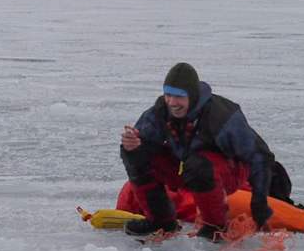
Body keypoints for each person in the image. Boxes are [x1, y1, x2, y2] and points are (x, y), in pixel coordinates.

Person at [119, 62, 279, 240]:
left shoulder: (221, 115)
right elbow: (144, 145)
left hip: (228, 173)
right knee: (136, 154)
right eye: (168, 95)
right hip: (186, 168)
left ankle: (215, 226)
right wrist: (132, 145)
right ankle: (162, 221)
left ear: (193, 96)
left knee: (198, 165)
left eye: (179, 97)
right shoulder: (160, 111)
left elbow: (260, 157)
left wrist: (259, 202)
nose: (172, 102)